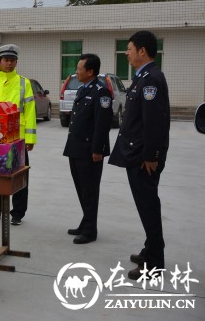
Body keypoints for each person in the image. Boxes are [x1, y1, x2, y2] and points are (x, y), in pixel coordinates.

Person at [109, 31, 170, 281]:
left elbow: (154, 122)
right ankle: (151, 249)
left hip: (144, 157)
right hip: (138, 153)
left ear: (142, 51)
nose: (127, 53)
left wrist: (151, 155)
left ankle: (154, 263)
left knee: (148, 207)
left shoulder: (152, 79)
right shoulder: (143, 77)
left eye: (130, 48)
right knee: (145, 206)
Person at [0, 44, 36, 225]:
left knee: (19, 175)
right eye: (6, 60)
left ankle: (17, 213)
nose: (9, 64)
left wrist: (31, 138)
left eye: (13, 60)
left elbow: (30, 111)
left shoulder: (23, 83)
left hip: (17, 137)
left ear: (16, 62)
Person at [63, 54, 112, 245]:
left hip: (90, 150)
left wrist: (98, 150)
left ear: (90, 71)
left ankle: (90, 230)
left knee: (90, 191)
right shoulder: (84, 89)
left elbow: (102, 124)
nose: (76, 72)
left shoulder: (102, 92)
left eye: (79, 68)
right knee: (81, 189)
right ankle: (86, 221)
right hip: (76, 148)